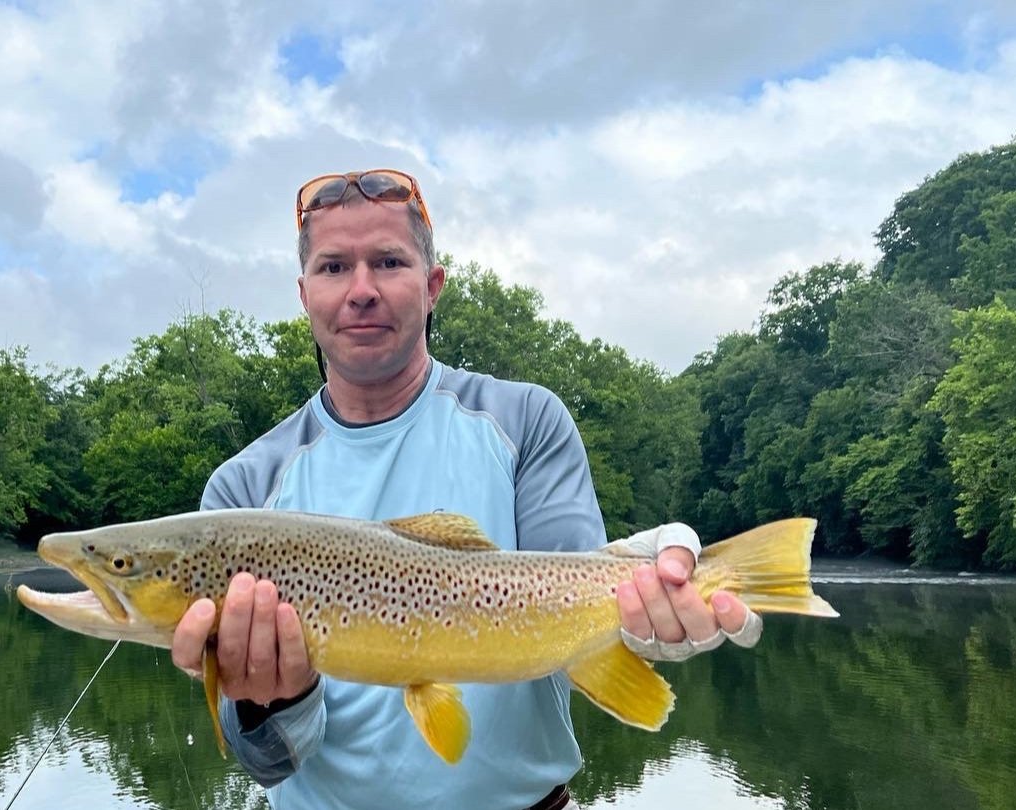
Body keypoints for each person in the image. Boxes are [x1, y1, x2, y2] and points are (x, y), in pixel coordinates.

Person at [171, 169, 761, 810]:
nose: (361, 290)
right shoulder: (243, 491)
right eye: (334, 267)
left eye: (388, 262)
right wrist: (270, 698)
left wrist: (654, 586)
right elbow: (266, 763)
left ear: (431, 288)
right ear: (304, 293)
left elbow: (579, 596)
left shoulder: (526, 420)